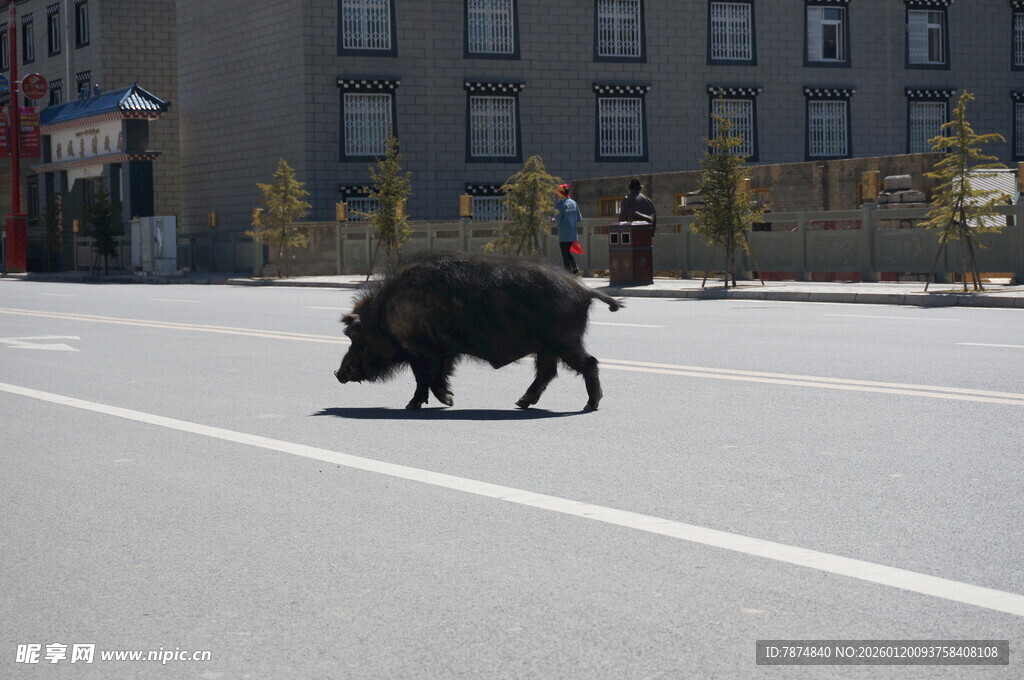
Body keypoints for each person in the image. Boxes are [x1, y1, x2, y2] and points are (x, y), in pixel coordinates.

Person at [555, 183, 582, 274]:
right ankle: (574, 267)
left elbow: (558, 220)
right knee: (567, 252)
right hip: (573, 233)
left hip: (564, 233)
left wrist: (553, 219)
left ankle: (568, 272)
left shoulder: (560, 205)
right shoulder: (574, 203)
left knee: (565, 254)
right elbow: (579, 218)